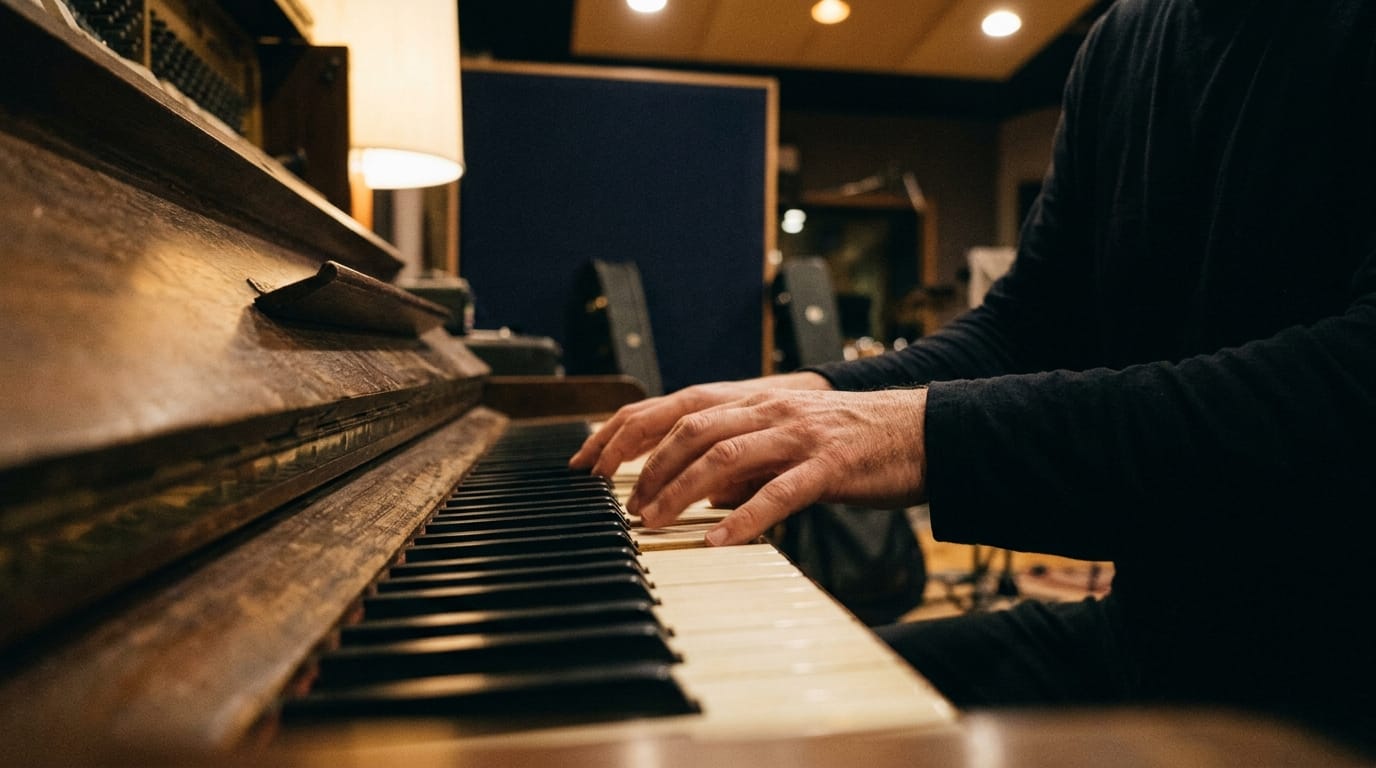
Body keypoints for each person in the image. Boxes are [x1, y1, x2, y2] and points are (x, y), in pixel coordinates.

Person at [571, 0, 1376, 749]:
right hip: (1154, 639)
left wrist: (926, 434)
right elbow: (1030, 327)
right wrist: (813, 398)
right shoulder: (1127, 37)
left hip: (1334, 681)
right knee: (725, 720)